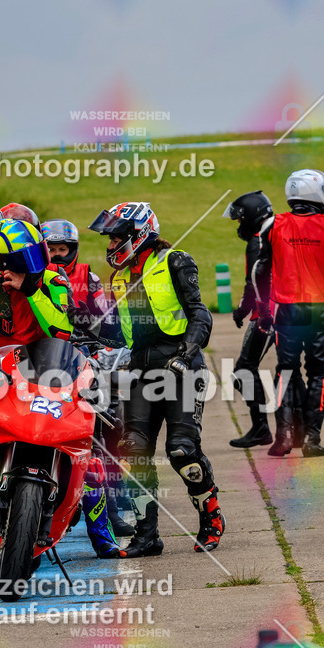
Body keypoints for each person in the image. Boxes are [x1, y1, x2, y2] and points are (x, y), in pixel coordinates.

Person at [0, 218, 120, 566]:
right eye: (23, 258)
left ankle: (102, 536)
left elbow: (61, 329)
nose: (34, 262)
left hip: (48, 373)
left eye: (35, 253)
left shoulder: (53, 280)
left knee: (89, 448)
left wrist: (30, 289)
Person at [89, 201, 225, 556]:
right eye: (109, 239)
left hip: (181, 365)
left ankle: (211, 518)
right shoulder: (118, 277)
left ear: (138, 234)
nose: (110, 246)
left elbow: (200, 314)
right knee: (134, 449)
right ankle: (147, 536)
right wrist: (84, 338)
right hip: (139, 369)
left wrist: (187, 353)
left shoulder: (175, 261)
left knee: (182, 450)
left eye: (116, 238)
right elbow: (119, 330)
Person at [253, 169, 324, 458]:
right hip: (320, 312)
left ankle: (285, 437)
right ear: (315, 193)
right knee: (318, 373)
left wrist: (263, 308)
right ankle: (312, 439)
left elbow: (260, 269)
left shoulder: (272, 224)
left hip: (286, 312)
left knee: (285, 372)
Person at [42, 218, 133, 538]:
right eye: (49, 249)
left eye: (61, 249)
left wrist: (107, 341)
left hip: (80, 358)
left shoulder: (88, 278)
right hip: (40, 363)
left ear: (73, 250)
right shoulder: (30, 278)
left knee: (108, 420)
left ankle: (113, 501)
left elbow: (108, 322)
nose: (55, 255)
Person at [222, 191, 307, 449]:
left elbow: (254, 282)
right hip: (295, 309)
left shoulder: (258, 240)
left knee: (242, 371)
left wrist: (241, 310)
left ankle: (262, 429)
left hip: (267, 313)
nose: (239, 225)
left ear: (251, 217)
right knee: (291, 371)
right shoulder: (283, 234)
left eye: (239, 219)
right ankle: (304, 431)